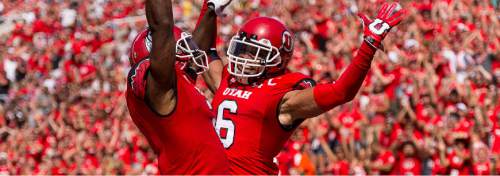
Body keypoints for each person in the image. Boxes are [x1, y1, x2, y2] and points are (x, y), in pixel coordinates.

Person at [208, 2, 406, 174]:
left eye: (253, 53)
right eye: (242, 50)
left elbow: (341, 92)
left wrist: (369, 44)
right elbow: (205, 53)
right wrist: (208, 8)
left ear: (277, 58)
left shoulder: (281, 93)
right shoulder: (229, 79)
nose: (243, 58)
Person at [125, 0, 231, 174]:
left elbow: (199, 46)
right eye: (180, 50)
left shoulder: (173, 89)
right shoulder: (159, 88)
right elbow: (163, 26)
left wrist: (211, 8)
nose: (188, 53)